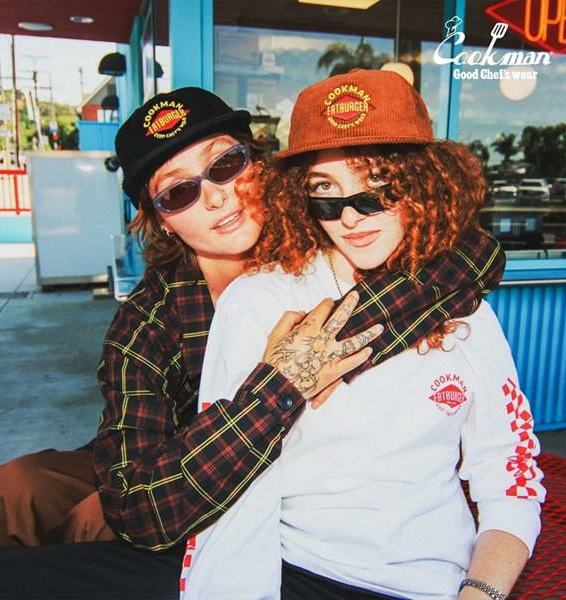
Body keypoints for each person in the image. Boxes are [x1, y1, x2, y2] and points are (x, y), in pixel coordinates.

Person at [0, 82, 505, 600]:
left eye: (226, 164)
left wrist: (333, 341)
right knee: (11, 489)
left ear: (261, 164)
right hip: (180, 459)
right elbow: (140, 500)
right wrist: (285, 381)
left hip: (301, 492)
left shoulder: (330, 228)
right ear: (161, 221)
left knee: (88, 525)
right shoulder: (147, 323)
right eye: (178, 192)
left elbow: (470, 253)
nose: (216, 196)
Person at [182, 70, 545, 600]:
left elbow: (509, 475)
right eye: (324, 190)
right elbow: (234, 490)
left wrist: (480, 592)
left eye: (376, 182)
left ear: (423, 182)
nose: (350, 216)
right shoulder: (260, 301)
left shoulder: (466, 310)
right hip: (297, 569)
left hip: (433, 582)